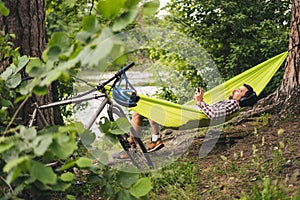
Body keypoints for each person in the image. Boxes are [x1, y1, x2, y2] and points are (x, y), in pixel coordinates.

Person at [119, 84, 257, 159]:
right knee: (145, 111)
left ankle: (133, 148)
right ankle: (154, 140)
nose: (234, 90)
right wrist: (200, 102)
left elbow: (214, 115)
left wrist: (199, 101)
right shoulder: (230, 102)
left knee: (140, 111)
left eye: (239, 91)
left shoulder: (234, 104)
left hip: (189, 116)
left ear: (243, 99)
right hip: (190, 113)